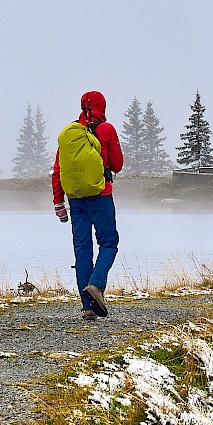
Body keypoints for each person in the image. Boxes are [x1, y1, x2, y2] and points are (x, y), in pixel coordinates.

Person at [52, 91, 124, 318]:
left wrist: (58, 203)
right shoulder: (106, 129)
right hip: (101, 196)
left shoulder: (70, 134)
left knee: (82, 250)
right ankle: (96, 284)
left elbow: (58, 169)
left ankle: (87, 308)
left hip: (75, 199)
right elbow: (118, 164)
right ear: (103, 106)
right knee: (109, 243)